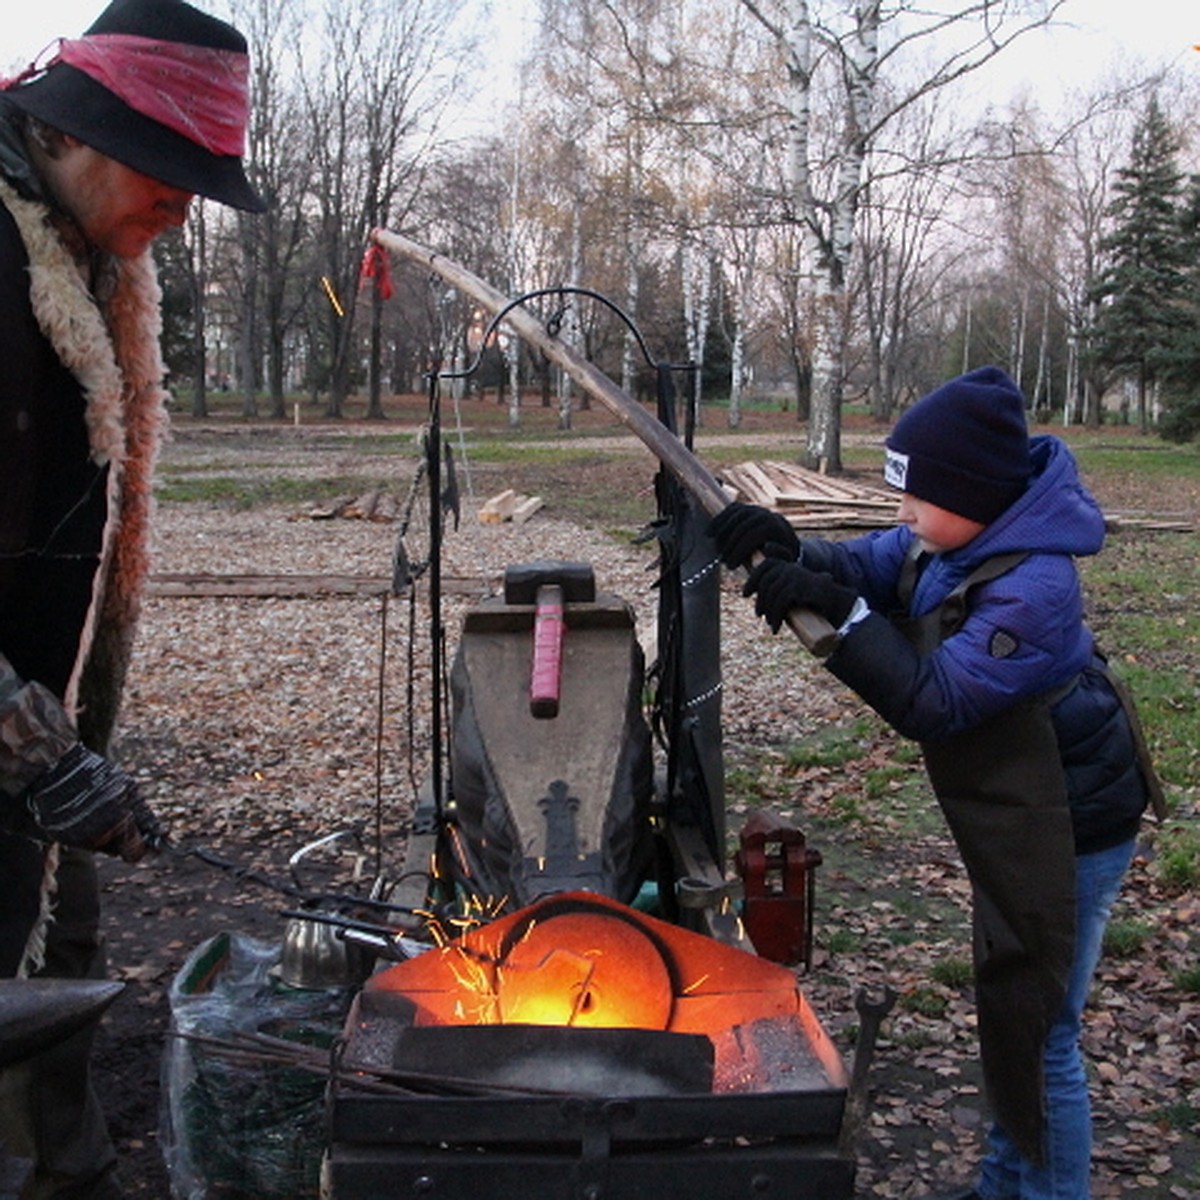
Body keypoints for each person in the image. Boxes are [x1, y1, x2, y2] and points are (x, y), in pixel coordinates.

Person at [709, 366, 1165, 1200]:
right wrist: (783, 547)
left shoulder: (1035, 583)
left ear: (977, 494)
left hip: (1071, 820)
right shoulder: (948, 536)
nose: (902, 515)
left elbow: (936, 700)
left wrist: (843, 621)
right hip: (1019, 814)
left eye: (916, 497)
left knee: (1042, 1030)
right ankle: (1003, 1187)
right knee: (1010, 1011)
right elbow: (861, 564)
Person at [0, 1, 264, 1195]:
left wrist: (60, 746)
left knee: (64, 949)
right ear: (86, 136)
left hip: (38, 723)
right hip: (15, 727)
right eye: (172, 180)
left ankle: (72, 1168)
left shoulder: (84, 256)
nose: (182, 211)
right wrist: (27, 741)